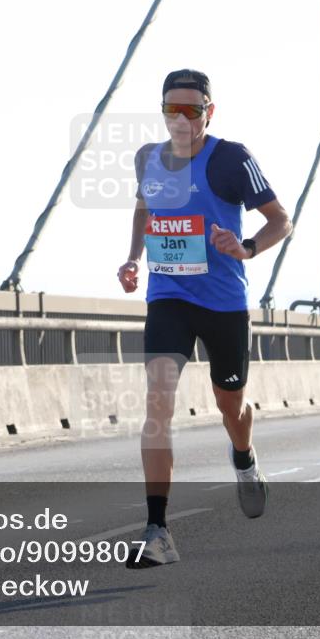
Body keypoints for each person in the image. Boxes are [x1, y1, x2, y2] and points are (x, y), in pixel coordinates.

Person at [116, 69, 293, 568]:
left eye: (191, 111)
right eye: (171, 109)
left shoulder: (232, 158)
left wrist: (247, 247)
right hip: (168, 296)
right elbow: (144, 212)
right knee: (157, 406)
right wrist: (132, 259)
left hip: (223, 303)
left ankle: (244, 457)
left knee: (229, 405)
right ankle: (158, 531)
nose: (180, 119)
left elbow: (282, 219)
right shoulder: (148, 158)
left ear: (208, 113)